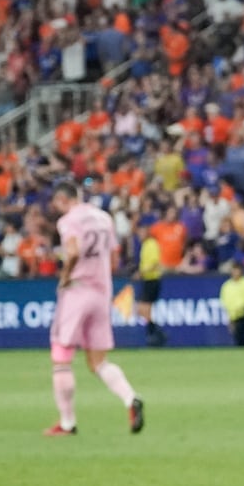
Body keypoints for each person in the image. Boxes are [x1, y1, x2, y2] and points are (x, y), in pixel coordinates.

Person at [44, 182, 145, 437]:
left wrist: (66, 275)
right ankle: (130, 398)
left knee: (61, 356)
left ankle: (67, 423)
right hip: (102, 292)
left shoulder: (68, 221)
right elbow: (114, 257)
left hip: (78, 290)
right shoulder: (103, 218)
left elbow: (74, 250)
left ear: (62, 199)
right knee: (98, 361)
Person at [134, 219, 168, 346]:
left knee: (144, 309)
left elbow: (154, 263)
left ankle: (156, 335)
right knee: (143, 310)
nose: (139, 235)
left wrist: (141, 272)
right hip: (147, 280)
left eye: (141, 232)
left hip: (152, 279)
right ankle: (156, 333)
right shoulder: (145, 245)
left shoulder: (152, 244)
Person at [220, 260, 244, 346]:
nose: (235, 272)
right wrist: (230, 319)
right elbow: (226, 303)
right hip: (235, 316)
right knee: (239, 339)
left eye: (237, 270)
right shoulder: (227, 285)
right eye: (234, 270)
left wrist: (241, 309)